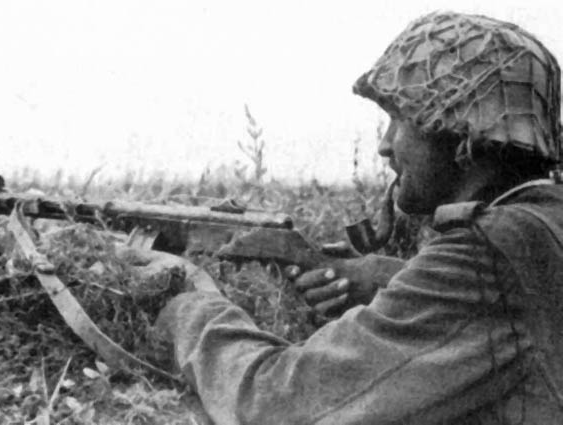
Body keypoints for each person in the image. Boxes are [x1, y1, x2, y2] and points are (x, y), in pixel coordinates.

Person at [155, 11, 563, 424]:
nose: (385, 146)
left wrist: (189, 307)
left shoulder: (486, 252)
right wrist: (386, 285)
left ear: (461, 137)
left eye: (399, 121)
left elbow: (276, 405)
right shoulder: (539, 224)